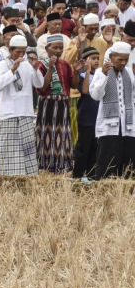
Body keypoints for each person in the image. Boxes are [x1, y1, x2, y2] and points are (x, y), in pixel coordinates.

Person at [0, 35, 45, 175]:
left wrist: (35, 68)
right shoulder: (2, 65)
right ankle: (6, 178)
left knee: (27, 150)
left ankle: (28, 178)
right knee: (8, 149)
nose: (21, 55)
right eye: (18, 52)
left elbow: (39, 84)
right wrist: (12, 70)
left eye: (24, 52)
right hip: (8, 113)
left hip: (26, 112)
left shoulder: (27, 65)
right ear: (10, 50)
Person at [89, 42, 135, 179]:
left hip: (128, 127)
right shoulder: (100, 72)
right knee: (106, 165)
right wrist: (104, 76)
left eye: (126, 59)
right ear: (111, 57)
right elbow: (95, 95)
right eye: (119, 59)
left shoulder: (129, 74)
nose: (123, 63)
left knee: (128, 166)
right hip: (109, 127)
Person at [36, 34, 74, 173]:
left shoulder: (65, 64)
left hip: (63, 104)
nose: (58, 51)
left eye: (60, 48)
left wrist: (77, 71)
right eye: (55, 48)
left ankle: (62, 165)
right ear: (47, 48)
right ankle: (46, 166)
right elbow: (42, 87)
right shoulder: (42, 65)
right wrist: (50, 68)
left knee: (62, 134)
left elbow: (73, 85)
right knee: (46, 133)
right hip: (48, 103)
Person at [73, 46, 100, 179]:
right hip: (86, 116)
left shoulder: (101, 74)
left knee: (95, 148)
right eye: (93, 58)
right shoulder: (83, 76)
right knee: (83, 147)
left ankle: (91, 175)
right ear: (85, 61)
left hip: (98, 117)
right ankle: (77, 174)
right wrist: (88, 71)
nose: (96, 61)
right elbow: (85, 91)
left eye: (97, 58)